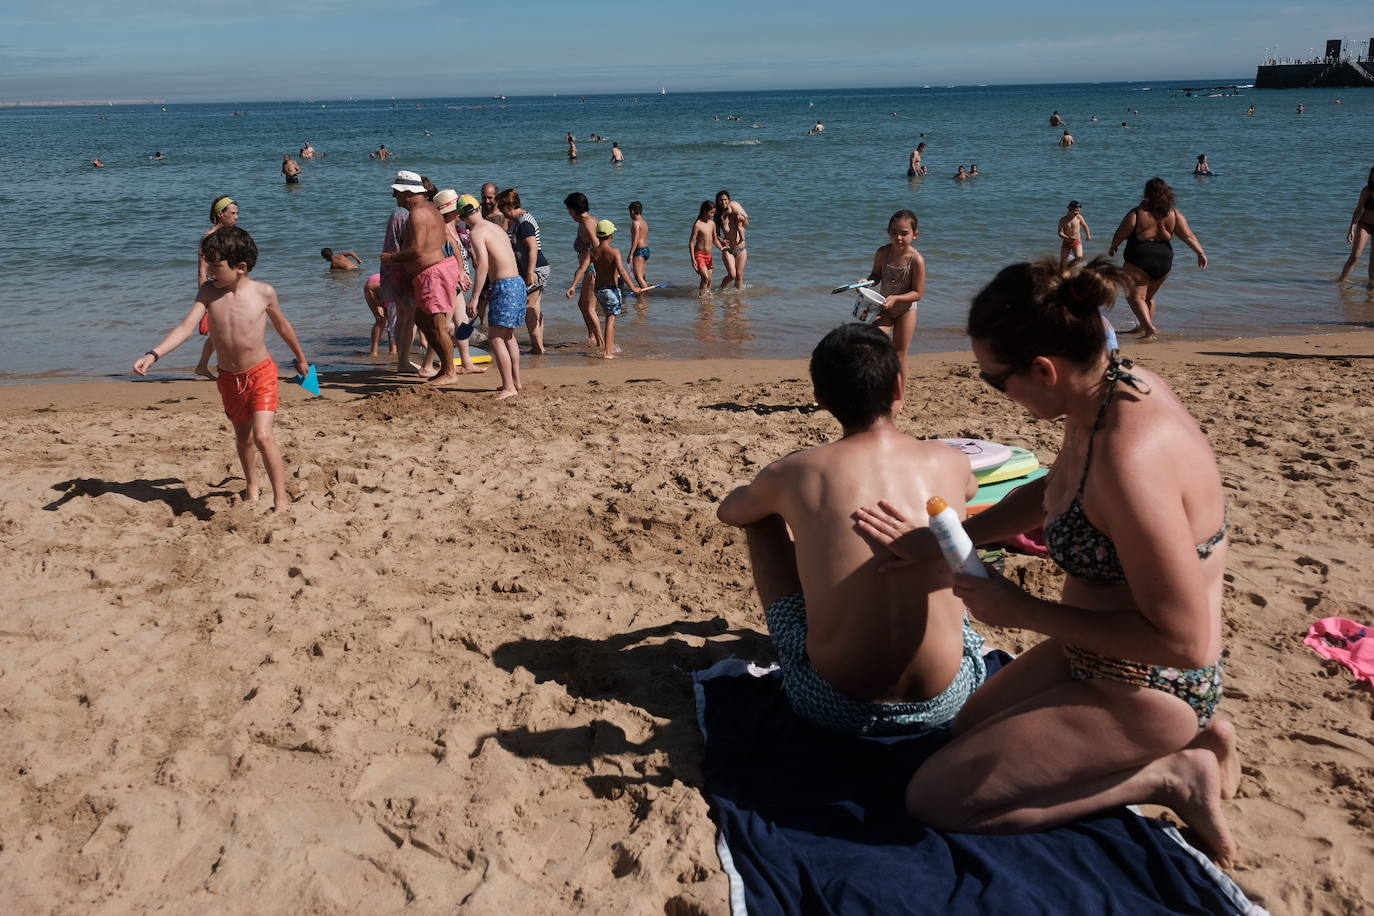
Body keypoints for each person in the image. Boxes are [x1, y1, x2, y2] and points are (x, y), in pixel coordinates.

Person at [854, 257, 1237, 866]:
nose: (996, 392)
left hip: (1151, 682)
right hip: (1089, 654)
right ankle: (1199, 737)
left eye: (994, 380)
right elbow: (1054, 488)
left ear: (1043, 369)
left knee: (936, 801)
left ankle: (1171, 775)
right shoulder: (1110, 387)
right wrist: (952, 536)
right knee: (963, 732)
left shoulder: (1130, 462)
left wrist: (1022, 610)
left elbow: (1186, 642)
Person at [718, 323, 988, 735]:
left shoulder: (794, 471)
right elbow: (970, 490)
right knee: (948, 525)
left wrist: (764, 492)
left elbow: (730, 512)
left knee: (761, 519)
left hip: (833, 704)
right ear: (899, 387)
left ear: (820, 398)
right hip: (951, 698)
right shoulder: (948, 459)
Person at [133, 227, 310, 512]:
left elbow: (283, 326)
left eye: (215, 265)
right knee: (243, 438)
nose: (210, 271)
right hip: (229, 379)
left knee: (263, 436)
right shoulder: (208, 293)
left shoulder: (263, 292)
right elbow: (185, 327)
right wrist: (154, 354)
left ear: (240, 267)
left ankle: (281, 499)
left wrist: (300, 358)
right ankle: (252, 485)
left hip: (261, 373)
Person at [382, 170, 463, 387]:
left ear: (408, 192)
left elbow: (417, 251)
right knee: (422, 320)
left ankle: (450, 371)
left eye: (397, 193)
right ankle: (445, 368)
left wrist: (391, 257)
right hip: (429, 273)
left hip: (434, 273)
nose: (394, 197)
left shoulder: (418, 214)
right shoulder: (428, 209)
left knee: (437, 325)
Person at [1107, 177, 1207, 340]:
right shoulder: (1174, 214)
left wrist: (1113, 246)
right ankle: (1143, 326)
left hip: (1140, 259)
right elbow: (1187, 236)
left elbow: (1121, 232)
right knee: (1149, 297)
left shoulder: (1138, 213)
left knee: (1134, 297)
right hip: (1164, 261)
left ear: (1147, 193)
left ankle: (1149, 329)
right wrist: (1200, 253)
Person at [462, 194, 525, 399]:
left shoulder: (476, 232)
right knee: (508, 335)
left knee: (496, 337)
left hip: (504, 285)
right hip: (517, 282)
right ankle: (515, 381)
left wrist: (474, 298)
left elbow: (483, 265)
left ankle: (509, 387)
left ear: (461, 218)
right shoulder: (495, 227)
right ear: (479, 208)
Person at [866, 209, 924, 384]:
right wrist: (865, 283)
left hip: (906, 310)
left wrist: (897, 298)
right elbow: (875, 275)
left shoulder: (916, 260)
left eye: (904, 233)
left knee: (899, 353)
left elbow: (918, 293)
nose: (898, 237)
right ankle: (878, 381)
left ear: (915, 235)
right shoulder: (883, 253)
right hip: (884, 307)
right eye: (894, 233)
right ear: (888, 233)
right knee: (873, 343)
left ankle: (900, 396)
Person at [430, 189, 484, 375]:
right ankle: (428, 364)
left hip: (458, 283)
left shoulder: (456, 227)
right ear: (451, 211)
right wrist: (460, 272)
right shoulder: (444, 228)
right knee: (443, 325)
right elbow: (450, 253)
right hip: (450, 281)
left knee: (463, 322)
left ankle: (466, 362)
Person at [193, 195, 241, 380]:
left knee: (223, 331)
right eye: (233, 213)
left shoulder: (234, 235)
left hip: (234, 287)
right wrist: (203, 302)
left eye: (237, 213)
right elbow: (202, 271)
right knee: (226, 330)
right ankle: (230, 367)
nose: (237, 217)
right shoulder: (208, 238)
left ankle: (202, 366)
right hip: (216, 290)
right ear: (220, 214)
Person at [497, 188, 549, 353]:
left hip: (536, 268)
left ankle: (537, 347)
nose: (500, 211)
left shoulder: (524, 222)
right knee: (535, 308)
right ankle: (538, 345)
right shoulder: (517, 220)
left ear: (508, 206)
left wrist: (529, 272)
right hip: (531, 268)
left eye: (501, 207)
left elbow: (533, 248)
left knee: (529, 307)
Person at [588, 219, 645, 359]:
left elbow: (585, 268)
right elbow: (622, 271)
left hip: (598, 290)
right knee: (610, 320)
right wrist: (633, 287)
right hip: (611, 290)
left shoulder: (593, 252)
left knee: (610, 319)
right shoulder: (614, 251)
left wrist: (573, 285)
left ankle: (611, 347)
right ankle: (607, 352)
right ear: (611, 235)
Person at [563, 192, 604, 350]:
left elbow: (597, 246)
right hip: (588, 269)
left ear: (574, 209)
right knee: (582, 304)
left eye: (569, 209)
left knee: (589, 307)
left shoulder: (587, 222)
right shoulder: (589, 219)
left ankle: (602, 343)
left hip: (592, 269)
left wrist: (592, 267)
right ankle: (592, 337)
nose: (568, 213)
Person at [1337, 165, 1374, 287]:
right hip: (1365, 225)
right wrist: (1351, 229)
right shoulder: (1367, 191)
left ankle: (1371, 286)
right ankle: (1340, 282)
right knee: (1355, 256)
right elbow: (1358, 210)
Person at [715, 190, 749, 289]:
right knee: (732, 275)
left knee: (739, 276)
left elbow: (746, 223)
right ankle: (721, 289)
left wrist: (742, 219)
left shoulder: (735, 212)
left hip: (741, 249)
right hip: (728, 249)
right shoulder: (718, 216)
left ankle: (738, 299)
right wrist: (721, 240)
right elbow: (715, 234)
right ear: (717, 202)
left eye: (725, 200)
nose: (723, 202)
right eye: (720, 200)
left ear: (729, 200)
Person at [689, 200, 720, 291]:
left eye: (714, 212)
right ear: (704, 211)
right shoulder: (698, 224)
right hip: (699, 255)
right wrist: (693, 259)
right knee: (705, 278)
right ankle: (701, 298)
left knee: (709, 281)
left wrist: (722, 248)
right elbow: (691, 243)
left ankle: (706, 301)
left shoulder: (712, 224)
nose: (713, 215)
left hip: (709, 255)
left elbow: (715, 239)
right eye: (711, 213)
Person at [1057, 200, 1092, 269]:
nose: (1077, 212)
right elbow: (1060, 232)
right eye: (1076, 210)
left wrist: (1088, 235)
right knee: (1062, 262)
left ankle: (1070, 267)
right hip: (1066, 242)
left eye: (1079, 211)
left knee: (1079, 257)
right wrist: (1067, 237)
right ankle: (1061, 273)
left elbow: (1085, 226)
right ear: (1070, 209)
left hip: (1076, 241)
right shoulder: (1063, 220)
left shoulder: (1079, 217)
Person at [362, 273, 389, 357]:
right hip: (372, 288)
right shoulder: (391, 286)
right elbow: (370, 287)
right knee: (380, 319)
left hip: (389, 291)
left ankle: (393, 351)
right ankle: (373, 351)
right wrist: (377, 304)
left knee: (393, 320)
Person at [627, 201, 651, 289]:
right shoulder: (644, 222)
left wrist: (631, 254)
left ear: (632, 211)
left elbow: (636, 239)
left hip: (639, 250)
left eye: (629, 212)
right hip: (646, 249)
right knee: (642, 275)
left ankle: (645, 296)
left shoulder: (635, 223)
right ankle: (645, 289)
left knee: (638, 276)